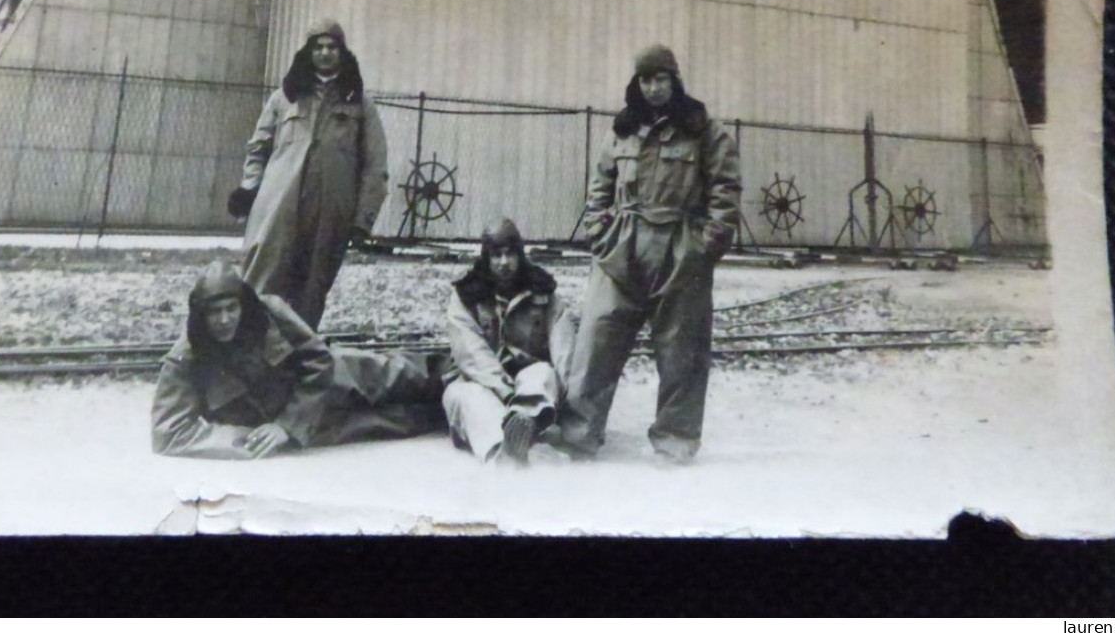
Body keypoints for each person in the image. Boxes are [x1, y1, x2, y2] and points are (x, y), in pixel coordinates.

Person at [559, 44, 741, 463]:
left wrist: (703, 248)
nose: (653, 87)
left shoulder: (703, 130)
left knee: (682, 350)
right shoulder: (623, 128)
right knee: (596, 341)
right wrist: (598, 231)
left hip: (679, 250)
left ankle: (675, 441)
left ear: (675, 81)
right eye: (646, 79)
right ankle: (577, 436)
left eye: (661, 78)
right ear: (636, 83)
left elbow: (726, 191)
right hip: (620, 248)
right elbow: (599, 184)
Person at [152, 261, 445, 460]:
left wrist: (287, 425)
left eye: (231, 308)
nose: (225, 319)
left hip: (336, 379)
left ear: (243, 305)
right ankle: (458, 411)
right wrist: (248, 439)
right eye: (214, 312)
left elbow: (319, 359)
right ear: (200, 316)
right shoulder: (186, 358)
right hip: (314, 426)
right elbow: (169, 433)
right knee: (408, 422)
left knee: (419, 375)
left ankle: (469, 375)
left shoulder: (268, 312)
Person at [227, 19, 388, 329]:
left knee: (311, 293)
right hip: (277, 211)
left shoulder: (360, 105)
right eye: (318, 47)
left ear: (342, 53)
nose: (325, 53)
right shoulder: (284, 98)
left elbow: (375, 167)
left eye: (332, 47)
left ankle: (298, 358)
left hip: (329, 216)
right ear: (308, 52)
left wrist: (362, 220)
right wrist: (250, 189)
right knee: (261, 282)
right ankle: (249, 347)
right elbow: (258, 148)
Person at [442, 218, 574, 465]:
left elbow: (564, 350)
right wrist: (505, 392)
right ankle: (503, 452)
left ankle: (523, 425)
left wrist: (566, 402)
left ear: (520, 255)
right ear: (485, 258)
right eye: (496, 255)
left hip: (528, 383)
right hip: (480, 382)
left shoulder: (543, 292)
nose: (504, 263)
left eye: (510, 254)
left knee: (543, 373)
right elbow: (472, 355)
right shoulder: (465, 296)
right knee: (467, 397)